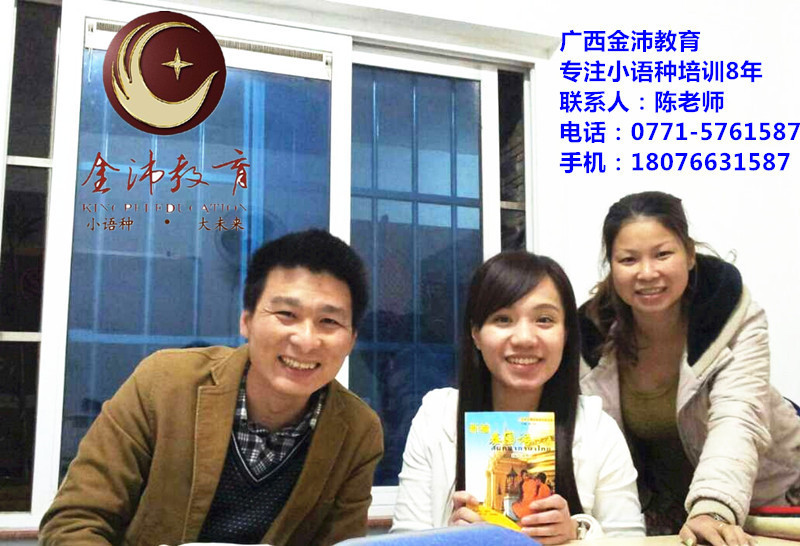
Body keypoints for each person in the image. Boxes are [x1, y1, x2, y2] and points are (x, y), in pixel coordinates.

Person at [40, 229, 384, 546]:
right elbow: (74, 521)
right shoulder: (164, 384)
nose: (306, 340)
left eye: (329, 321)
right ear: (246, 321)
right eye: (286, 314)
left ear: (352, 339)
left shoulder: (357, 431)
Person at [579, 191, 800, 546]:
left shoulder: (734, 316)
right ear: (612, 266)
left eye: (662, 254)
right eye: (629, 259)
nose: (647, 273)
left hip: (770, 503)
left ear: (690, 254)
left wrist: (713, 509)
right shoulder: (588, 340)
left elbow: (737, 418)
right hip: (670, 520)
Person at [391, 251, 645, 543]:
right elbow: (403, 540)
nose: (524, 338)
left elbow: (632, 541)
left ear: (566, 334)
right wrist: (449, 540)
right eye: (503, 319)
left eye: (544, 319)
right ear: (476, 334)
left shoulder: (597, 429)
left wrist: (576, 533)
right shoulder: (437, 418)